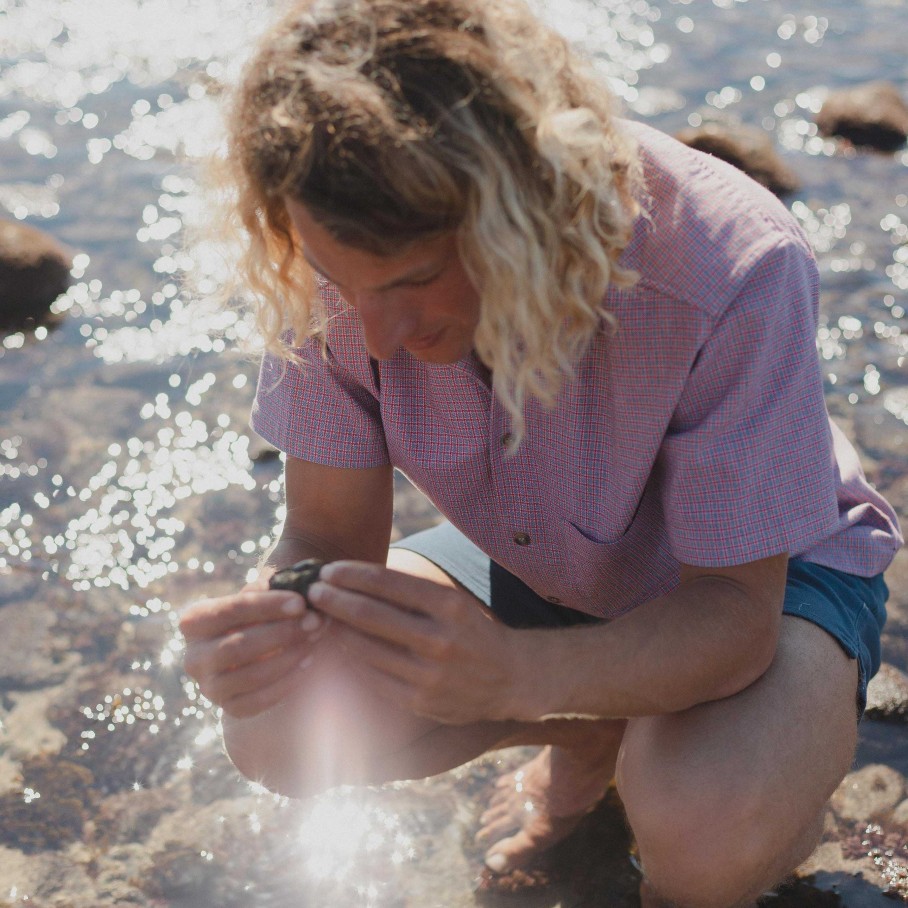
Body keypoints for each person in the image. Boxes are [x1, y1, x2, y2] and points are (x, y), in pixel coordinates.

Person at [178, 1, 902, 904]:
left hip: (764, 578)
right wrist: (265, 632)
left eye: (412, 281)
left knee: (702, 831)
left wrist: (515, 675)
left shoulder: (731, 264)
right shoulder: (338, 250)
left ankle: (724, 761)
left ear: (520, 214)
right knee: (279, 724)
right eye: (341, 283)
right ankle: (592, 732)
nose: (378, 332)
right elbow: (323, 540)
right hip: (549, 555)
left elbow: (732, 620)